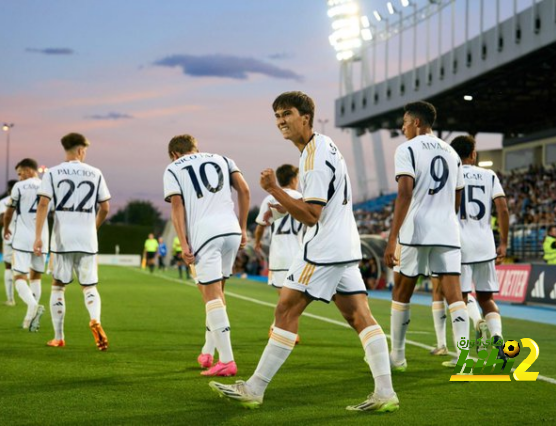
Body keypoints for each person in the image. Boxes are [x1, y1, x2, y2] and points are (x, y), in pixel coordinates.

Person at [210, 91, 398, 412]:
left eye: (287, 114)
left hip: (324, 248)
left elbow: (312, 214)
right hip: (344, 244)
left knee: (285, 311)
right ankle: (385, 392)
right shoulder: (322, 146)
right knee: (359, 316)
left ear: (305, 118)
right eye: (277, 116)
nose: (281, 121)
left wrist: (273, 190)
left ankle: (254, 388)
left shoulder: (313, 157)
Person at [383, 101, 469, 372]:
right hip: (447, 229)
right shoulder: (451, 152)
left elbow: (405, 193)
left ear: (417, 123)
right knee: (455, 294)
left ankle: (397, 356)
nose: (403, 128)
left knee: (402, 290)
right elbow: (457, 195)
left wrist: (392, 237)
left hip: (417, 228)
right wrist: (445, 218)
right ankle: (464, 356)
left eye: (405, 123)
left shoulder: (406, 149)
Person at [164, 133, 250, 377]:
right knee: (218, 294)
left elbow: (177, 205)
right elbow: (244, 190)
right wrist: (243, 228)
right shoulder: (223, 159)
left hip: (205, 234)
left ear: (174, 154)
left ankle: (227, 361)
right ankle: (207, 351)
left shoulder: (173, 168)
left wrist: (182, 243)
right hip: (231, 230)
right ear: (195, 148)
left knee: (210, 295)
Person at [34, 133, 111, 350]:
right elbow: (105, 208)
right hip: (87, 239)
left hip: (62, 239)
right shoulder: (95, 173)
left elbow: (42, 205)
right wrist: (93, 227)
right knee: (89, 286)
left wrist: (39, 237)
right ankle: (95, 319)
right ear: (80, 150)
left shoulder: (53, 173)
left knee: (58, 286)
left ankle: (59, 337)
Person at [447, 135, 510, 365]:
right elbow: (502, 208)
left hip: (459, 244)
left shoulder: (452, 175)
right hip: (485, 245)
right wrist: (503, 242)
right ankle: (497, 338)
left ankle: (462, 355)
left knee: (459, 300)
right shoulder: (489, 175)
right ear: (473, 154)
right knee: (486, 298)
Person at [254, 164, 303, 340]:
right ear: (293, 178)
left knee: (285, 295)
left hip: (279, 253)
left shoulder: (270, 198)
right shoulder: (301, 197)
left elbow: (260, 226)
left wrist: (258, 242)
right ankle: (281, 328)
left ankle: (280, 327)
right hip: (299, 252)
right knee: (295, 296)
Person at [3, 159, 48, 331]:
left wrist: (7, 228)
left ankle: (32, 306)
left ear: (29, 170)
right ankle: (31, 320)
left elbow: (9, 213)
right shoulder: (47, 184)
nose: (19, 177)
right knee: (36, 276)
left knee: (19, 276)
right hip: (41, 238)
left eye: (20, 173)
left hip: (22, 238)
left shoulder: (19, 187)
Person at [0, 179, 18, 306]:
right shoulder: (26, 199)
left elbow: (4, 218)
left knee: (8, 266)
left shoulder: (3, 201)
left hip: (9, 235)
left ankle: (11, 299)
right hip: (24, 235)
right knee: (26, 269)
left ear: (8, 189)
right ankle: (32, 299)